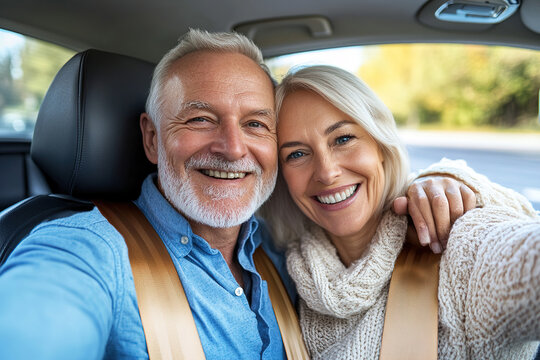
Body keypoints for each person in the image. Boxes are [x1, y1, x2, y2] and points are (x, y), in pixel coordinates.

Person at [0, 29, 476, 359]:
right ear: (151, 138)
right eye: (200, 119)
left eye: (255, 124)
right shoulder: (90, 249)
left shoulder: (289, 249)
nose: (231, 148)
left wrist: (437, 183)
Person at [261, 64, 540, 359]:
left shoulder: (452, 245)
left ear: (379, 144)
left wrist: (464, 183)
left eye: (343, 139)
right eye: (297, 154)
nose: (327, 173)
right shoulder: (283, 272)